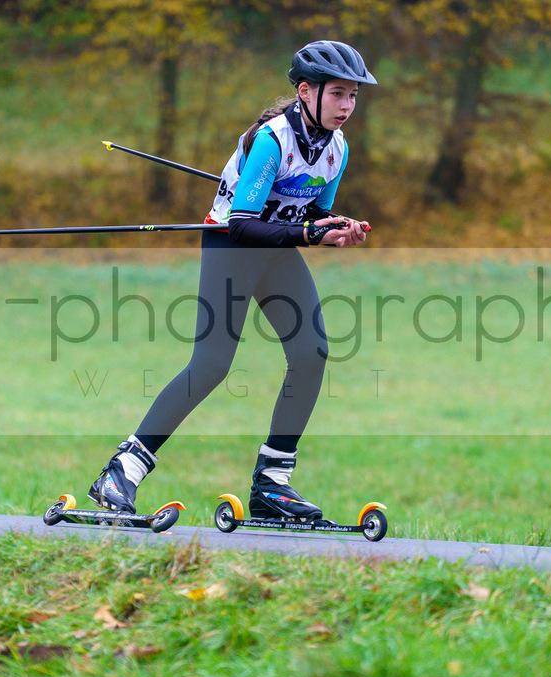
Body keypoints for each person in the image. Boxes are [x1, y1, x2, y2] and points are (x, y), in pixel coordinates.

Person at [88, 40, 376, 521]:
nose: (347, 105)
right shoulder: (272, 141)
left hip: (276, 249)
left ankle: (272, 484)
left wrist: (335, 226)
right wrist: (308, 233)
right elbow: (242, 221)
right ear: (306, 91)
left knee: (312, 353)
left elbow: (314, 211)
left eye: (354, 96)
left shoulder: (337, 148)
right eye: (339, 94)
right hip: (233, 246)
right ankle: (122, 470)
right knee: (213, 364)